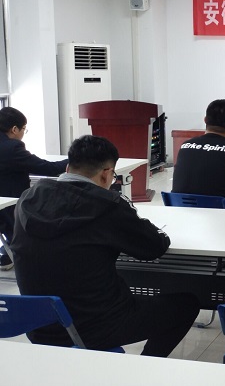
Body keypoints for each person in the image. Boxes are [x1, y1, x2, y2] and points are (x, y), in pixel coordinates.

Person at [10, 135, 199, 356]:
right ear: (106, 174)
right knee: (186, 305)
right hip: (95, 327)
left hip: (38, 326)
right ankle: (147, 363)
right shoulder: (108, 206)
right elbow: (155, 247)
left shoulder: (27, 198)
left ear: (68, 168)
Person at [0, 107, 67, 271]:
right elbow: (48, 168)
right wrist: (77, 159)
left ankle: (8, 253)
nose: (24, 133)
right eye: (24, 129)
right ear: (14, 129)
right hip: (11, 208)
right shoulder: (11, 148)